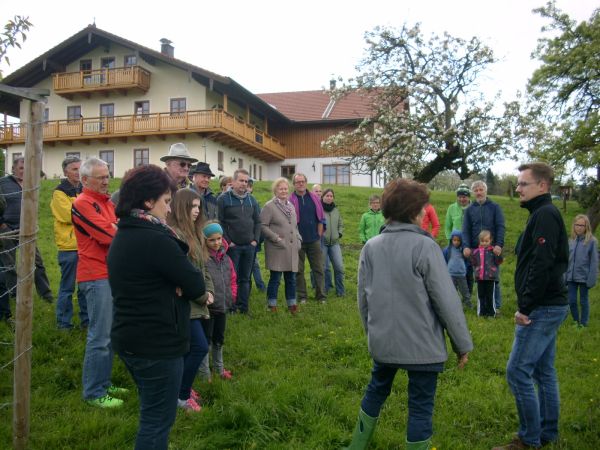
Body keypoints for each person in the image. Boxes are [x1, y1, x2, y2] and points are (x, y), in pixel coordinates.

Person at [348, 178, 472, 450]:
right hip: (423, 346)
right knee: (420, 405)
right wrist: (462, 344)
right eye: (422, 208)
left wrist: (374, 335)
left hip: (384, 344)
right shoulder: (426, 247)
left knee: (375, 390)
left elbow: (363, 300)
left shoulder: (371, 246)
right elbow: (447, 302)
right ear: (415, 212)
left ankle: (355, 446)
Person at [108, 165, 206, 449]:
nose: (169, 207)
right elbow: (196, 285)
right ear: (148, 202)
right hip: (156, 344)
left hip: (131, 338)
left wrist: (175, 284)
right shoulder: (155, 238)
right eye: (166, 200)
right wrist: (177, 286)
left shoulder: (126, 232)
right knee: (157, 419)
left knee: (152, 410)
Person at [493, 162, 569, 450]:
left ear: (543, 186)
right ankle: (547, 432)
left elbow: (542, 264)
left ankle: (528, 439)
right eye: (519, 183)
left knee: (518, 371)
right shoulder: (540, 214)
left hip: (543, 306)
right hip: (550, 304)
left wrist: (525, 307)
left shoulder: (546, 215)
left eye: (524, 183)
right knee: (543, 371)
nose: (518, 188)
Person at [71, 157, 123, 408]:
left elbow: (117, 229)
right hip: (95, 275)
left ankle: (103, 382)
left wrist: (115, 227)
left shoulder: (105, 203)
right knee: (99, 336)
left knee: (110, 334)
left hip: (110, 273)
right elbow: (107, 235)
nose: (106, 180)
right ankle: (93, 392)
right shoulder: (82, 203)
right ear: (84, 180)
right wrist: (114, 227)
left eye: (107, 175)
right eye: (101, 177)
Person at [167, 188, 214, 412]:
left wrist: (210, 290)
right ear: (180, 208)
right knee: (199, 347)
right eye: (192, 207)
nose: (196, 211)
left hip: (198, 300)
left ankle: (181, 387)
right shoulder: (175, 235)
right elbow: (182, 276)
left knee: (190, 349)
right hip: (186, 303)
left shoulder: (196, 233)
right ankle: (181, 396)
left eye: (198, 207)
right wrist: (203, 296)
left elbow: (203, 269)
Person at [0, 157, 53, 306]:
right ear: (13, 169)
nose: (25, 171)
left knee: (37, 263)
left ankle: (46, 295)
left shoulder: (32, 184)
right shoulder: (3, 183)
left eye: (27, 168)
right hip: (7, 229)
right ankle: (15, 295)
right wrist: (1, 224)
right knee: (9, 264)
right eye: (22, 168)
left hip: (26, 229)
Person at [50, 155, 88, 330]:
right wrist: (85, 211)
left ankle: (86, 321)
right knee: (67, 288)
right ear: (66, 171)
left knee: (85, 287)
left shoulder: (84, 189)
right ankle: (63, 324)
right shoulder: (59, 192)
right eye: (74, 169)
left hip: (85, 246)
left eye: (80, 168)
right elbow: (68, 215)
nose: (78, 172)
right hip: (69, 247)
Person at [217, 169, 261, 314]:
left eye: (246, 181)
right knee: (232, 278)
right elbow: (220, 222)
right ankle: (231, 307)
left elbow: (258, 222)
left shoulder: (252, 200)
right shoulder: (223, 199)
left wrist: (255, 240)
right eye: (241, 180)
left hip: (249, 246)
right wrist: (228, 241)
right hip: (233, 247)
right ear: (234, 182)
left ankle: (243, 307)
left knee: (245, 278)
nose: (244, 184)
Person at [462, 180, 505, 311]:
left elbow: (500, 226)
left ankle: (496, 306)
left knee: (493, 278)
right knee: (479, 278)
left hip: (492, 250)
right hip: (476, 250)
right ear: (473, 193)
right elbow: (465, 229)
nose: (479, 192)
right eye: (476, 190)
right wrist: (466, 246)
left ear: (485, 191)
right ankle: (483, 305)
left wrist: (499, 244)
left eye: (481, 190)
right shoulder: (469, 209)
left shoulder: (495, 207)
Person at [201, 222, 236, 380]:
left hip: (223, 305)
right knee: (205, 341)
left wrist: (232, 295)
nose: (216, 243)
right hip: (208, 308)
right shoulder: (202, 259)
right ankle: (204, 373)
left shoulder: (226, 258)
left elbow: (233, 279)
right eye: (211, 240)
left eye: (219, 239)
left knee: (219, 338)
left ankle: (219, 368)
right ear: (205, 241)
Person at [260, 177, 301, 313]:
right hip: (277, 248)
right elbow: (263, 226)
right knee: (275, 279)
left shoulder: (291, 206)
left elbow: (294, 226)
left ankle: (292, 305)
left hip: (291, 248)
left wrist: (298, 239)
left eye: (285, 188)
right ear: (275, 190)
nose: (284, 191)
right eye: (280, 188)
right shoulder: (269, 206)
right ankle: (272, 305)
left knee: (291, 279)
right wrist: (276, 238)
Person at [289, 173, 326, 303]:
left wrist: (319, 234)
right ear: (294, 184)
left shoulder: (314, 198)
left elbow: (321, 218)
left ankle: (321, 296)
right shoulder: (290, 200)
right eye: (298, 182)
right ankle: (302, 296)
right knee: (299, 270)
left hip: (314, 240)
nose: (301, 184)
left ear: (306, 182)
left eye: (303, 181)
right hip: (298, 241)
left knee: (319, 269)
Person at [566, 214, 598, 328]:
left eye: (582, 225)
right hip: (571, 277)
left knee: (583, 301)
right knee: (572, 301)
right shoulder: (571, 241)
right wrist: (565, 275)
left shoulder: (592, 241)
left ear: (586, 227)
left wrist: (591, 279)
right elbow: (567, 260)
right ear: (574, 226)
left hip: (584, 277)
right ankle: (576, 321)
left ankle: (583, 324)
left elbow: (594, 262)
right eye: (577, 225)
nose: (579, 227)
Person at [445, 184, 473, 293]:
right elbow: (447, 226)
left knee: (469, 268)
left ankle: (468, 294)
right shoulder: (452, 208)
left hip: (470, 242)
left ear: (469, 197)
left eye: (464, 196)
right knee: (455, 268)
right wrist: (450, 241)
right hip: (455, 243)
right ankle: (453, 294)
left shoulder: (474, 207)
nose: (462, 199)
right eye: (460, 196)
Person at [470, 230, 502, 317]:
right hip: (480, 278)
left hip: (490, 278)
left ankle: (491, 313)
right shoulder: (476, 252)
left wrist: (498, 254)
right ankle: (481, 312)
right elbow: (473, 262)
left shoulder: (493, 251)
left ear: (490, 240)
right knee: (481, 295)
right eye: (482, 241)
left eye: (486, 241)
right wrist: (471, 255)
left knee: (490, 296)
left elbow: (499, 261)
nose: (484, 243)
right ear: (479, 241)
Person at [321, 188, 345, 297]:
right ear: (323, 197)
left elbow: (340, 223)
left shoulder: (336, 210)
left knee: (339, 267)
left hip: (335, 243)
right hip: (323, 243)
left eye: (331, 196)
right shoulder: (319, 209)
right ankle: (325, 289)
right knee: (325, 268)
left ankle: (340, 291)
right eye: (327, 195)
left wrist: (339, 233)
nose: (329, 197)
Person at [443, 230, 472, 309]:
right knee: (452, 292)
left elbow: (467, 260)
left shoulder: (463, 250)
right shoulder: (447, 250)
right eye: (454, 240)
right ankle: (454, 306)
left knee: (465, 291)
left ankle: (468, 304)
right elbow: (444, 260)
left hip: (462, 275)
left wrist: (465, 268)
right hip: (451, 275)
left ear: (461, 240)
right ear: (451, 240)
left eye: (458, 240)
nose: (456, 242)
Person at [247, 178, 266, 292]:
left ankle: (260, 286)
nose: (248, 188)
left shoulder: (254, 202)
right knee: (251, 265)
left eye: (250, 186)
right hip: (242, 239)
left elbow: (259, 222)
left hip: (253, 240)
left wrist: (257, 239)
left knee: (254, 264)